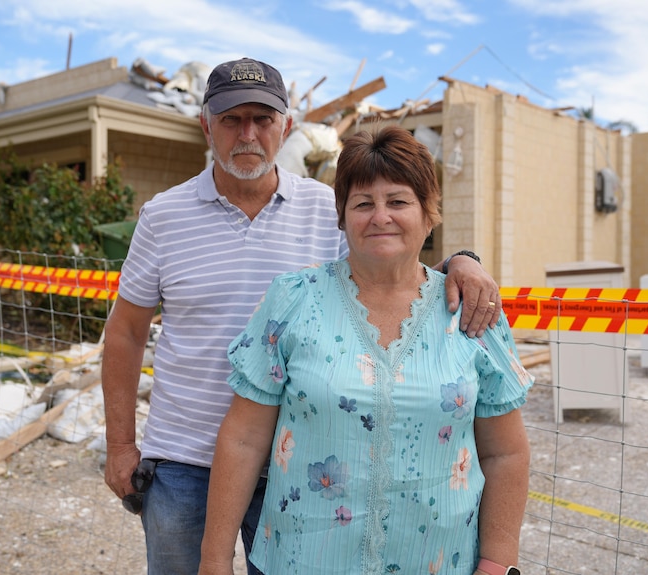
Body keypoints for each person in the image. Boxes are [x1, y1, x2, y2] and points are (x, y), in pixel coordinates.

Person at [102, 58, 503, 575]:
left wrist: (461, 262)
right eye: (231, 119)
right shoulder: (162, 218)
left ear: (286, 127)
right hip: (186, 465)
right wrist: (119, 445)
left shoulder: (330, 210)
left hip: (305, 468)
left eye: (263, 120)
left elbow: (394, 262)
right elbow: (127, 332)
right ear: (206, 125)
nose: (248, 134)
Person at [198, 126, 532, 575]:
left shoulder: (471, 312)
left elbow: (505, 453)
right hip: (303, 562)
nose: (380, 217)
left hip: (438, 562)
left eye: (398, 201)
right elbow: (243, 439)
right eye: (362, 203)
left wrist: (497, 562)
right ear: (341, 215)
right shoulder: (293, 301)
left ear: (429, 213)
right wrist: (214, 560)